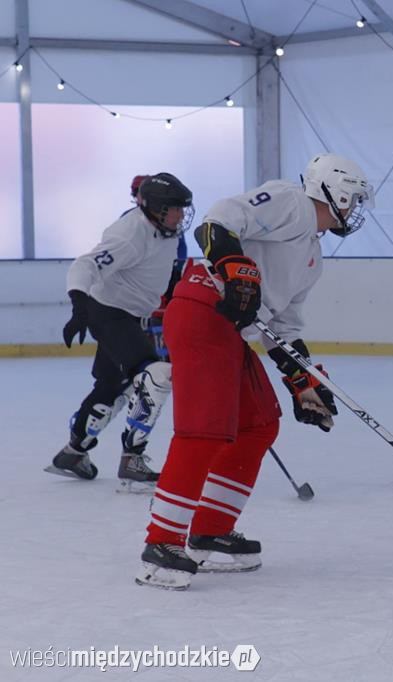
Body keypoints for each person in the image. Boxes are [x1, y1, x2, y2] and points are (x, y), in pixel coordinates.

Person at [135, 153, 374, 591]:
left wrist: (303, 382)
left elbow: (282, 329)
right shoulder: (291, 201)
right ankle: (161, 544)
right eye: (354, 199)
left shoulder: (312, 257)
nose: (355, 209)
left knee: (259, 423)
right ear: (335, 191)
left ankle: (210, 531)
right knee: (203, 432)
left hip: (231, 328)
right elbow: (218, 221)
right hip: (203, 309)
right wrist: (234, 265)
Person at [47, 173, 194, 493]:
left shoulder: (166, 231)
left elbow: (165, 275)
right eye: (175, 210)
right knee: (157, 375)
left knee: (114, 386)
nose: (181, 216)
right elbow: (84, 265)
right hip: (109, 313)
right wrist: (79, 308)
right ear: (155, 208)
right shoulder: (130, 233)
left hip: (131, 316)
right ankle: (133, 458)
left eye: (183, 209)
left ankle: (73, 453)